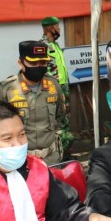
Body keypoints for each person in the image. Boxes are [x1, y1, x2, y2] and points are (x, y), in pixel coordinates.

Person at [0, 40, 65, 166]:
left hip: (51, 157)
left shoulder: (54, 85)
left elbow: (60, 116)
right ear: (21, 63)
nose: (38, 66)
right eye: (33, 63)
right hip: (22, 159)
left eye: (43, 63)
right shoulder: (6, 89)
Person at [40, 16, 74, 156]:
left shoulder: (56, 45)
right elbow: (42, 69)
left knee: (66, 118)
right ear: (50, 28)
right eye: (57, 26)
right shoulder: (42, 45)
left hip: (63, 87)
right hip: (53, 89)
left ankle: (65, 152)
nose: (59, 29)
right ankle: (58, 154)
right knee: (56, 120)